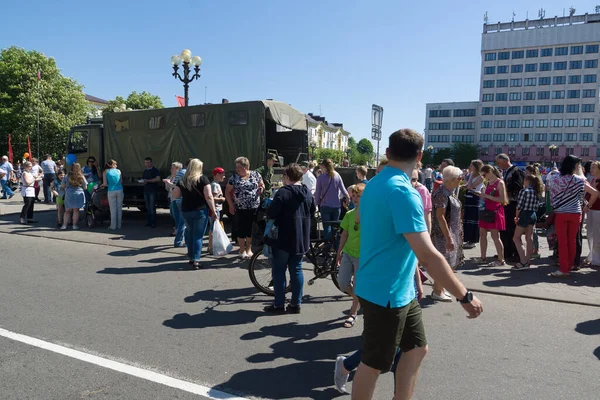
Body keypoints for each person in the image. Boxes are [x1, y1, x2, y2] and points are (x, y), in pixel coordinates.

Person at [352, 129, 482, 400]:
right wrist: (464, 295)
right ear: (420, 157)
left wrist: (413, 277)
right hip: (386, 292)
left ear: (387, 153)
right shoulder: (404, 193)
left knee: (417, 349)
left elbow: (372, 228)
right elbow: (429, 255)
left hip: (394, 288)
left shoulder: (374, 184)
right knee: (373, 364)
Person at [264, 163, 314, 314]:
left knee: (279, 271)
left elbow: (272, 213)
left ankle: (279, 305)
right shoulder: (307, 193)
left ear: (286, 176)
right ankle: (295, 303)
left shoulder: (283, 192)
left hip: (283, 238)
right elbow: (312, 212)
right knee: (296, 269)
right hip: (301, 237)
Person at [549, 156, 598, 277]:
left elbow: (552, 197)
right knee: (572, 240)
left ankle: (564, 269)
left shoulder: (555, 178)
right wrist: (586, 206)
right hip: (576, 213)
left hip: (561, 213)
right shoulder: (580, 179)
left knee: (562, 241)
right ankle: (570, 264)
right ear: (575, 167)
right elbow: (593, 193)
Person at [172, 158, 217, 269]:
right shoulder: (203, 179)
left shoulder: (182, 180)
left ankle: (191, 258)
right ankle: (197, 260)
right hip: (200, 211)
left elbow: (176, 195)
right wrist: (214, 210)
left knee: (190, 234)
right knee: (198, 236)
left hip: (186, 210)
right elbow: (209, 196)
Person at [430, 166, 464, 301]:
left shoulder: (450, 192)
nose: (461, 180)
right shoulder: (442, 194)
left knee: (448, 263)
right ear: (451, 180)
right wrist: (448, 237)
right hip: (442, 234)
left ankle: (440, 289)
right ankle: (437, 291)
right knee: (443, 263)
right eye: (459, 178)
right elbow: (440, 217)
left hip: (450, 232)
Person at [336, 183, 365, 327]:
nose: (355, 198)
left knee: (358, 286)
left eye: (358, 196)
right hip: (348, 253)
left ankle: (352, 314)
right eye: (353, 195)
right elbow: (344, 234)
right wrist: (339, 251)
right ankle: (358, 298)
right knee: (342, 283)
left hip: (362, 256)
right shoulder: (349, 214)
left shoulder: (371, 215)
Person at [226, 157, 265, 259]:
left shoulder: (256, 175)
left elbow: (262, 184)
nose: (237, 169)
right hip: (240, 208)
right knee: (241, 229)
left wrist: (261, 188)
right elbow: (227, 191)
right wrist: (230, 205)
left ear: (246, 167)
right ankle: (242, 250)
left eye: (239, 167)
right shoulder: (233, 178)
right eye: (236, 167)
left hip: (254, 207)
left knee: (250, 229)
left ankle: (249, 249)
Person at [474, 165, 508, 266]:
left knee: (495, 236)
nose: (484, 177)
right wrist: (482, 195)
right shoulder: (488, 182)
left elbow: (502, 200)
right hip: (486, 211)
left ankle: (501, 260)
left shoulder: (499, 182)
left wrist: (486, 196)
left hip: (495, 211)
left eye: (484, 174)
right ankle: (483, 257)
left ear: (490, 172)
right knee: (482, 234)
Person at [495, 154, 524, 262]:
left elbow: (519, 186)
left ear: (504, 161)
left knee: (511, 228)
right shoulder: (506, 171)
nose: (498, 164)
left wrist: (505, 188)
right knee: (504, 228)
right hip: (506, 203)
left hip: (513, 203)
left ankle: (514, 251)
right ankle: (506, 251)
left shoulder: (516, 171)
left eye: (499, 162)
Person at [512, 175, 543, 270]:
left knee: (516, 238)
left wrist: (516, 217)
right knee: (529, 238)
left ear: (527, 180)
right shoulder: (537, 191)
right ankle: (527, 260)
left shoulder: (524, 191)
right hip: (533, 214)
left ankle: (523, 261)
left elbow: (519, 206)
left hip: (524, 214)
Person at [314, 159, 349, 239]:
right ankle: (335, 246)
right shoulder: (337, 175)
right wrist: (347, 199)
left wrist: (316, 204)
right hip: (336, 206)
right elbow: (344, 190)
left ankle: (327, 246)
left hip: (325, 206)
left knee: (327, 228)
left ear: (323, 166)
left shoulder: (320, 178)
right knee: (335, 229)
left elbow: (318, 194)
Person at [463, 160, 484, 248]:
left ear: (476, 167)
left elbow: (471, 186)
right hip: (469, 197)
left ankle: (473, 240)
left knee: (473, 219)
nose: (470, 167)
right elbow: (468, 185)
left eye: (471, 165)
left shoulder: (481, 177)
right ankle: (467, 239)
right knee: (467, 218)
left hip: (475, 198)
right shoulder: (471, 174)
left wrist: (470, 178)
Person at [62, 163, 88, 230]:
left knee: (67, 210)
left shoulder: (67, 176)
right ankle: (74, 225)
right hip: (78, 193)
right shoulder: (81, 176)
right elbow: (85, 187)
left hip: (69, 193)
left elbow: (63, 186)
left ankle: (64, 225)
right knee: (76, 210)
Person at [208, 167, 226, 254]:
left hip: (217, 209)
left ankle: (210, 246)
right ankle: (211, 247)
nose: (224, 176)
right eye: (222, 175)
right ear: (217, 175)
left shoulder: (216, 184)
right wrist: (222, 199)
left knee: (213, 228)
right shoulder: (215, 185)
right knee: (213, 229)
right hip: (215, 209)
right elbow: (213, 198)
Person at [102, 159, 124, 230]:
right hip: (120, 190)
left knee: (113, 209)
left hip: (111, 190)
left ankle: (113, 226)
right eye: (115, 164)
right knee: (119, 208)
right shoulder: (118, 171)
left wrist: (101, 185)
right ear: (112, 165)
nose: (116, 165)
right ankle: (119, 225)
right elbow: (121, 181)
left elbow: (105, 184)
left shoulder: (105, 172)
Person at [586, 161, 600, 266]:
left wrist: (594, 188)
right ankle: (591, 255)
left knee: (597, 234)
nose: (591, 169)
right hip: (590, 210)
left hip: (597, 210)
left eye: (594, 167)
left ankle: (596, 259)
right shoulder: (593, 180)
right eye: (591, 167)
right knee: (590, 234)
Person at [164, 162, 183, 237]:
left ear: (178, 169)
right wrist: (167, 184)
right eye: (171, 167)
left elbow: (179, 186)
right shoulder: (169, 176)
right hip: (171, 197)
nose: (171, 169)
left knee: (177, 215)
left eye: (173, 167)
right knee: (172, 214)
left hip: (177, 198)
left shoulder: (180, 176)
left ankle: (177, 230)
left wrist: (170, 184)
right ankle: (177, 229)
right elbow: (167, 189)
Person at [141, 157, 160, 228]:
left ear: (151, 162)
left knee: (152, 207)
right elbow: (144, 180)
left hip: (152, 191)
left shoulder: (155, 170)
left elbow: (158, 179)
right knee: (147, 207)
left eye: (148, 162)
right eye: (146, 162)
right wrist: (143, 182)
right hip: (146, 190)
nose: (147, 164)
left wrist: (148, 181)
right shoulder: (145, 171)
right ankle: (149, 222)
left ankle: (153, 223)